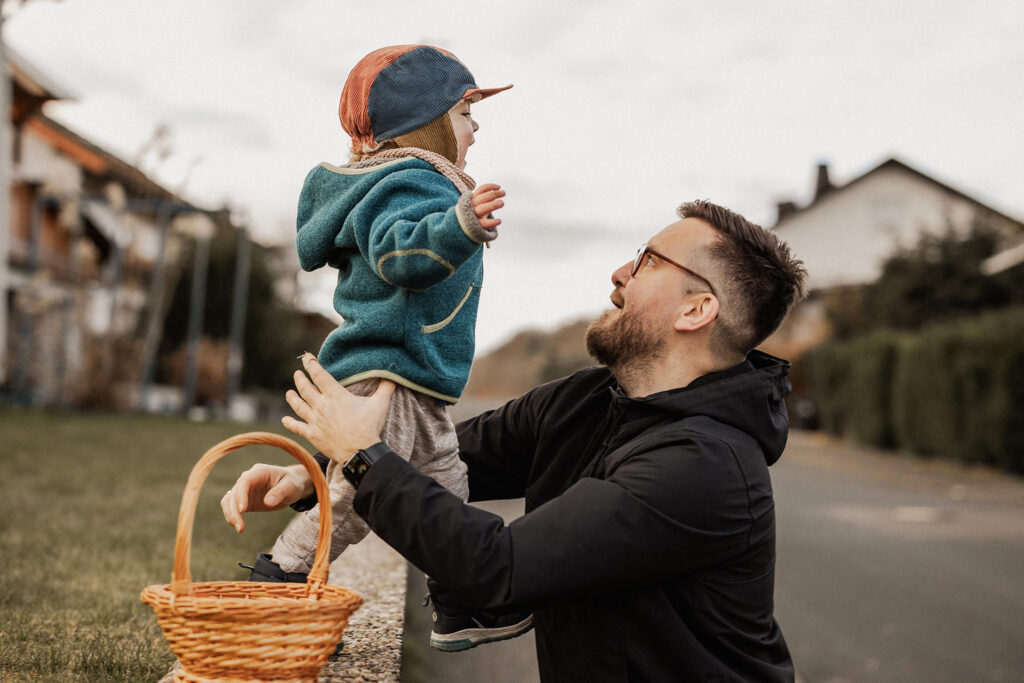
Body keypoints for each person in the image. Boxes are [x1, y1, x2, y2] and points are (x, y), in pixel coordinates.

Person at [224, 199, 807, 681]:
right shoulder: (588, 400)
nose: (620, 274)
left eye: (648, 261)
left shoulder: (705, 467)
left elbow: (500, 567)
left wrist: (362, 456)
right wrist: (314, 476)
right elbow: (443, 459)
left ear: (697, 309)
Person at [237, 44, 533, 649]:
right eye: (465, 114)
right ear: (424, 125)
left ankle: (461, 603)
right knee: (351, 502)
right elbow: (401, 255)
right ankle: (280, 591)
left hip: (411, 374)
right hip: (387, 373)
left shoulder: (412, 179)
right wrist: (461, 226)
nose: (475, 128)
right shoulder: (408, 181)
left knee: (447, 487)